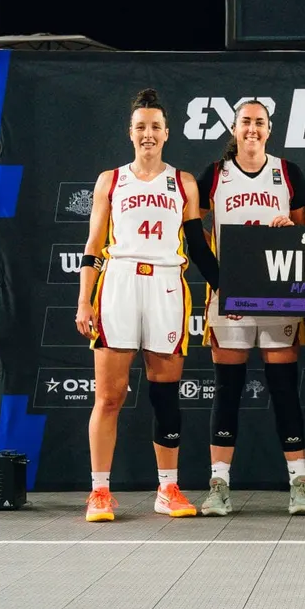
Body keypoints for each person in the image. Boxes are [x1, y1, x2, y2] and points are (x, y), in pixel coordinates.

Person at [74, 88, 221, 523]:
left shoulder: (183, 182)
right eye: (141, 127)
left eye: (156, 126)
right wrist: (84, 300)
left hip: (166, 285)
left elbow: (197, 246)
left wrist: (227, 289)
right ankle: (99, 492)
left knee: (165, 394)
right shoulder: (111, 180)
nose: (148, 134)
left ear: (167, 133)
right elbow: (93, 245)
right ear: (130, 132)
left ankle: (167, 489)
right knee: (109, 396)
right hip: (118, 283)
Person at [194, 99, 305, 516]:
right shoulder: (215, 174)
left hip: (279, 295)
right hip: (231, 297)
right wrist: (219, 280)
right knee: (227, 389)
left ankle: (299, 484)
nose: (252, 129)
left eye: (259, 122)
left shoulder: (287, 172)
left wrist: (291, 229)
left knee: (284, 389)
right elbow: (191, 229)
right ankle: (219, 486)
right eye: (245, 121)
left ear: (269, 129)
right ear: (234, 127)